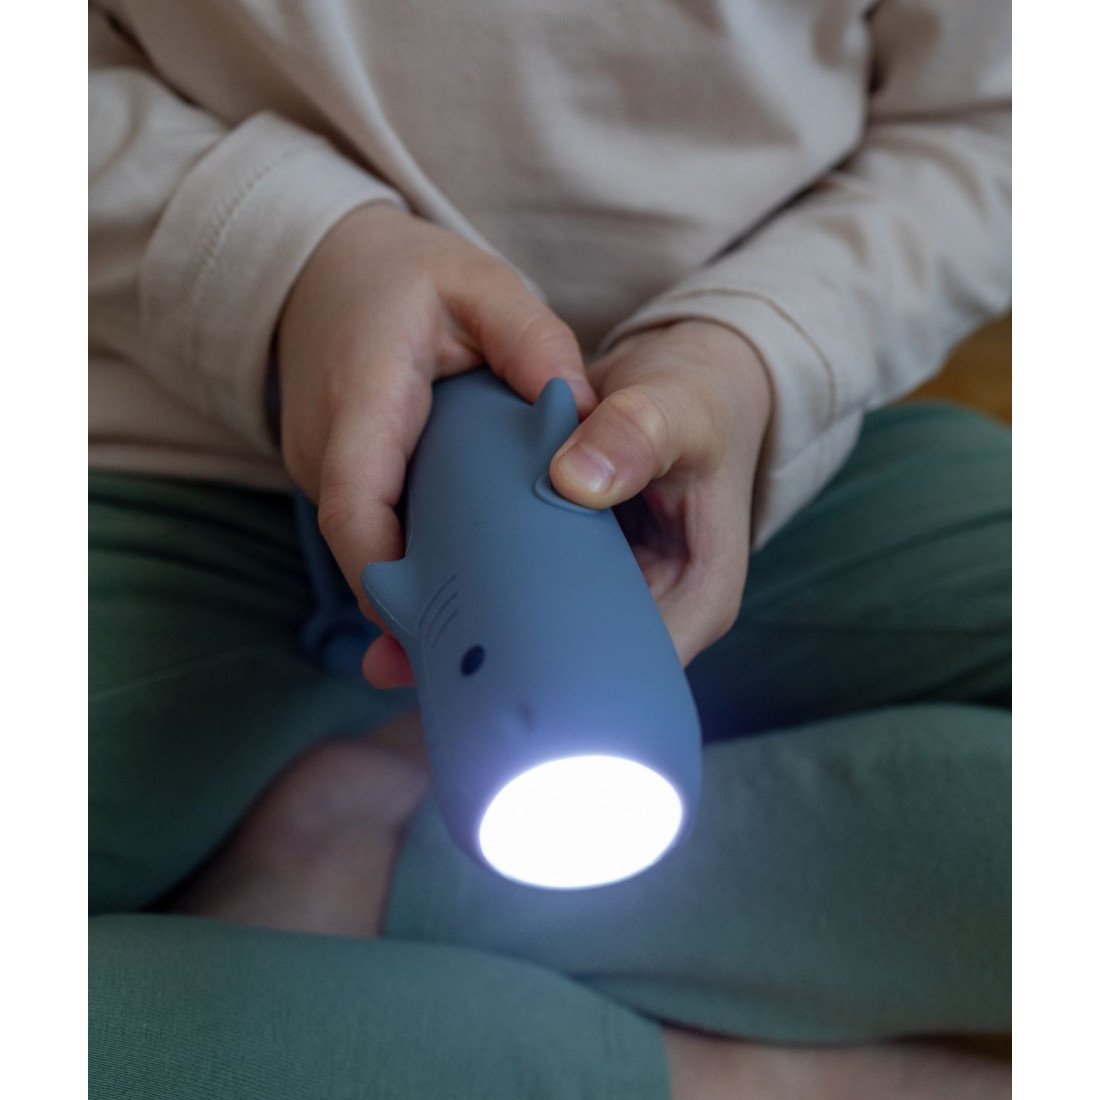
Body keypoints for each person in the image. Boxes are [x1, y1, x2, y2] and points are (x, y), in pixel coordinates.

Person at [89, 1, 1011, 1096]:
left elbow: (1000, 120)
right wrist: (290, 257)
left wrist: (756, 345)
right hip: (167, 456)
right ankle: (720, 1074)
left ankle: (366, 876)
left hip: (711, 473)